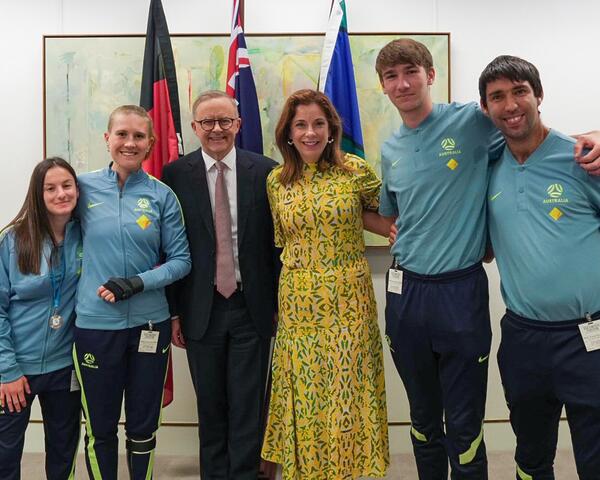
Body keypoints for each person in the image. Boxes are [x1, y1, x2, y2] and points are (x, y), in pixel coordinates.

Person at [376, 38, 600, 480]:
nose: (402, 84)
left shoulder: (482, 126)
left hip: (500, 303)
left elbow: (536, 131)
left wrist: (595, 134)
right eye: (391, 76)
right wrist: (392, 229)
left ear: (431, 75)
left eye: (411, 72)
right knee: (443, 424)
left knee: (470, 422)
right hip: (430, 300)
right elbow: (393, 214)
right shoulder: (398, 150)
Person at [480, 55, 600, 480]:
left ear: (539, 95)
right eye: (498, 97)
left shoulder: (583, 159)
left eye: (519, 92)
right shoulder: (487, 167)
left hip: (590, 338)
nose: (510, 105)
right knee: (530, 457)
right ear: (486, 109)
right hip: (523, 338)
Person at [261, 89, 389, 479]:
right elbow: (283, 241)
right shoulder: (276, 181)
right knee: (308, 394)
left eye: (318, 124)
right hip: (298, 303)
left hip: (349, 299)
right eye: (301, 125)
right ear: (288, 132)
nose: (310, 132)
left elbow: (384, 215)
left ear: (331, 129)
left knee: (348, 390)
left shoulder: (356, 171)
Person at [161, 90, 280, 480]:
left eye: (225, 121)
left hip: (252, 307)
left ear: (239, 125)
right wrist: (174, 311)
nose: (217, 129)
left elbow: (275, 245)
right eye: (207, 122)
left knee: (248, 405)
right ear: (194, 128)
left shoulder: (264, 171)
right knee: (210, 406)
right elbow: (169, 248)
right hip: (201, 308)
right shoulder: (176, 174)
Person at [73, 105, 191, 480]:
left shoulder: (162, 196)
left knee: (142, 428)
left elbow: (181, 260)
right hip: (95, 326)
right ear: (107, 139)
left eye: (139, 136)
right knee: (100, 428)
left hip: (148, 326)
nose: (130, 142)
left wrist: (138, 283)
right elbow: (47, 235)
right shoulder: (80, 188)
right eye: (122, 134)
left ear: (150, 143)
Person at [0, 157, 81, 480]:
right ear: (38, 193)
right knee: (5, 455)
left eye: (67, 185)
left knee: (63, 452)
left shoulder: (86, 235)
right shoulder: (13, 240)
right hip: (17, 369)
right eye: (51, 188)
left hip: (65, 368)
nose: (61, 193)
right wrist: (7, 371)